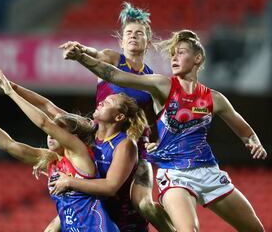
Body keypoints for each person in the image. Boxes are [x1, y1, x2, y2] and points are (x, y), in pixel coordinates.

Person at [65, 29, 267, 232]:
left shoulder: (215, 99)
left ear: (197, 58)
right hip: (175, 174)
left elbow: (245, 130)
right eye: (173, 54)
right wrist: (81, 57)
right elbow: (116, 76)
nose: (174, 57)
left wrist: (253, 141)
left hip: (209, 172)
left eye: (181, 52)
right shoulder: (162, 85)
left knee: (255, 229)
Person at [0, 69, 151, 231]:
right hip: (91, 209)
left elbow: (110, 187)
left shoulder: (125, 145)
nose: (100, 102)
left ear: (119, 117)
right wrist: (13, 87)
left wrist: (70, 181)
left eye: (108, 103)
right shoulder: (87, 130)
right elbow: (46, 105)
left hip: (122, 220)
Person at [59, 2, 174, 232]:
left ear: (147, 42)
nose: (133, 36)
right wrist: (80, 50)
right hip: (101, 146)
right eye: (129, 33)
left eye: (139, 33)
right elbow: (96, 54)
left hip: (135, 150)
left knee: (144, 204)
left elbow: (154, 116)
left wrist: (157, 140)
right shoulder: (112, 59)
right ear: (121, 40)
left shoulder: (152, 78)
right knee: (77, 202)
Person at [0, 85, 119, 231]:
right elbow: (9, 145)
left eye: (58, 130)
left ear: (73, 137)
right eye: (52, 130)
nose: (50, 134)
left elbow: (43, 122)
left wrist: (12, 93)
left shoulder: (80, 155)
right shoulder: (52, 162)